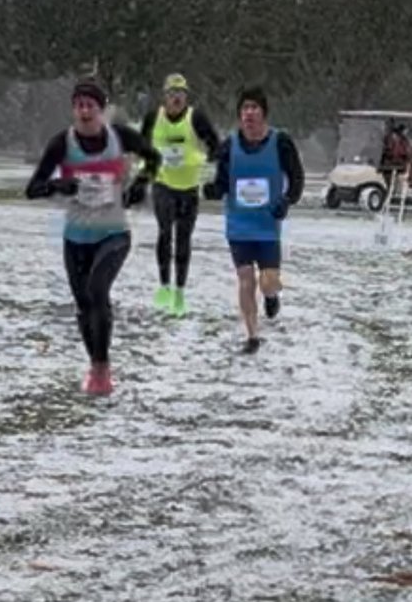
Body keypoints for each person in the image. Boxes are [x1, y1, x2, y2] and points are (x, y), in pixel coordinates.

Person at [26, 77, 160, 396]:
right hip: (75, 237)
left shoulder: (120, 137)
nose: (84, 111)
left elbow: (154, 159)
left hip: (113, 233)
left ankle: (102, 370)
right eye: (79, 105)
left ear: (101, 110)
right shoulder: (62, 143)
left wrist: (140, 183)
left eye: (90, 105)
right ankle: (96, 365)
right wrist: (57, 186)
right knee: (84, 303)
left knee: (97, 289)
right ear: (73, 110)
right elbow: (33, 189)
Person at [203, 85, 305, 354]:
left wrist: (287, 200)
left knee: (268, 281)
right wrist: (213, 190)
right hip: (239, 225)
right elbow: (222, 181)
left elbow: (297, 177)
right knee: (245, 279)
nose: (249, 113)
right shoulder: (229, 146)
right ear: (239, 115)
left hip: (267, 226)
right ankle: (252, 336)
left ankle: (272, 296)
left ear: (263, 113)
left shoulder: (280, 142)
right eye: (244, 108)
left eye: (254, 108)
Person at [138, 73, 220, 316]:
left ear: (186, 97)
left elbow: (216, 144)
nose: (176, 98)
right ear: (165, 96)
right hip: (163, 184)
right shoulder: (154, 118)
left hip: (189, 187)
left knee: (183, 239)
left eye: (181, 94)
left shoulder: (197, 117)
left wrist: (207, 164)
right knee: (165, 233)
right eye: (172, 94)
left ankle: (179, 292)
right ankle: (164, 285)